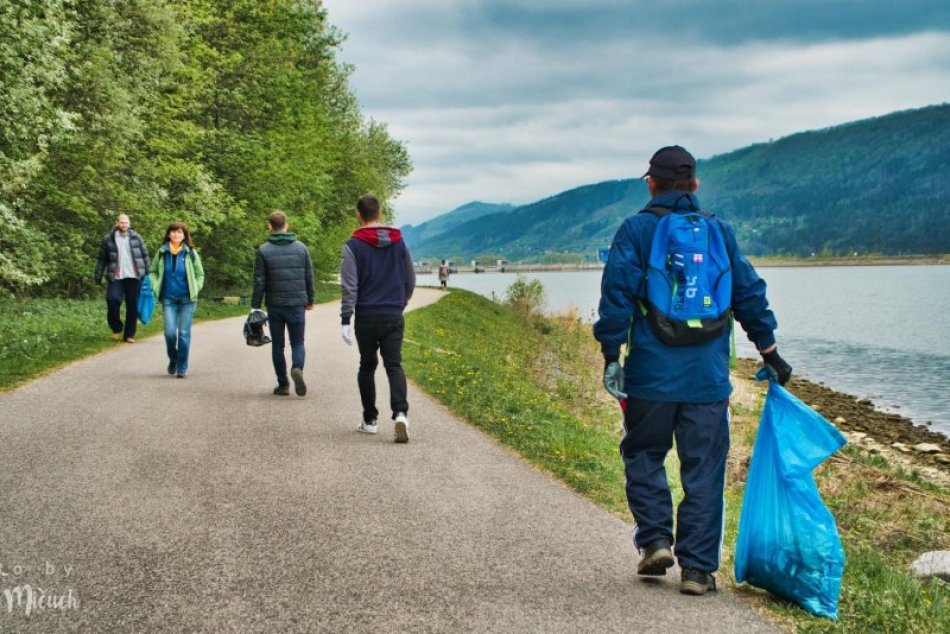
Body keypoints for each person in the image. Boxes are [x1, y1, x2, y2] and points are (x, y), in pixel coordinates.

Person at [593, 145, 792, 596]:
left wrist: (610, 356)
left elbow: (616, 298)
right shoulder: (718, 231)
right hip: (707, 380)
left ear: (652, 183)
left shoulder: (637, 230)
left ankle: (657, 540)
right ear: (695, 185)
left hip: (650, 377)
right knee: (704, 469)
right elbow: (748, 293)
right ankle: (699, 571)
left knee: (643, 454)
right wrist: (770, 351)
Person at [340, 194, 416, 443]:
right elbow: (410, 278)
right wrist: (401, 302)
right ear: (380, 213)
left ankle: (370, 420)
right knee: (394, 365)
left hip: (367, 316)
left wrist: (345, 319)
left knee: (367, 365)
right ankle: (401, 413)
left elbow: (349, 286)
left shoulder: (352, 246)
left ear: (358, 215)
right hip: (393, 314)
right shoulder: (399, 242)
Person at [251, 211, 314, 397]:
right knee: (298, 342)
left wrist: (255, 306)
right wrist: (310, 299)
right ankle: (297, 369)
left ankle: (283, 384)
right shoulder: (301, 248)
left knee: (277, 345)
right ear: (286, 225)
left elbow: (259, 281)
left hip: (275, 305)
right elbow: (309, 276)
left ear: (270, 227)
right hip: (296, 304)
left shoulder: (263, 250)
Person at [149, 221, 205, 378]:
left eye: (179, 232)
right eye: (173, 232)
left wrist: (196, 286)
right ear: (169, 234)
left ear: (184, 235)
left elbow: (200, 274)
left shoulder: (191, 253)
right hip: (168, 299)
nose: (176, 235)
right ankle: (173, 359)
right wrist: (154, 285)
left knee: (184, 333)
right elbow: (152, 271)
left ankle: (182, 367)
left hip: (187, 299)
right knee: (170, 333)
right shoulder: (161, 252)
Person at [94, 214, 150, 343]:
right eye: (122, 222)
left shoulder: (137, 237)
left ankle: (129, 334)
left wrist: (147, 274)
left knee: (133, 306)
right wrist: (98, 275)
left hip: (135, 277)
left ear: (129, 223)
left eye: (126, 223)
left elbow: (145, 256)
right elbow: (101, 259)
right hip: (117, 276)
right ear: (117, 223)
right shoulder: (108, 239)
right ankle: (116, 328)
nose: (124, 225)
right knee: (112, 299)